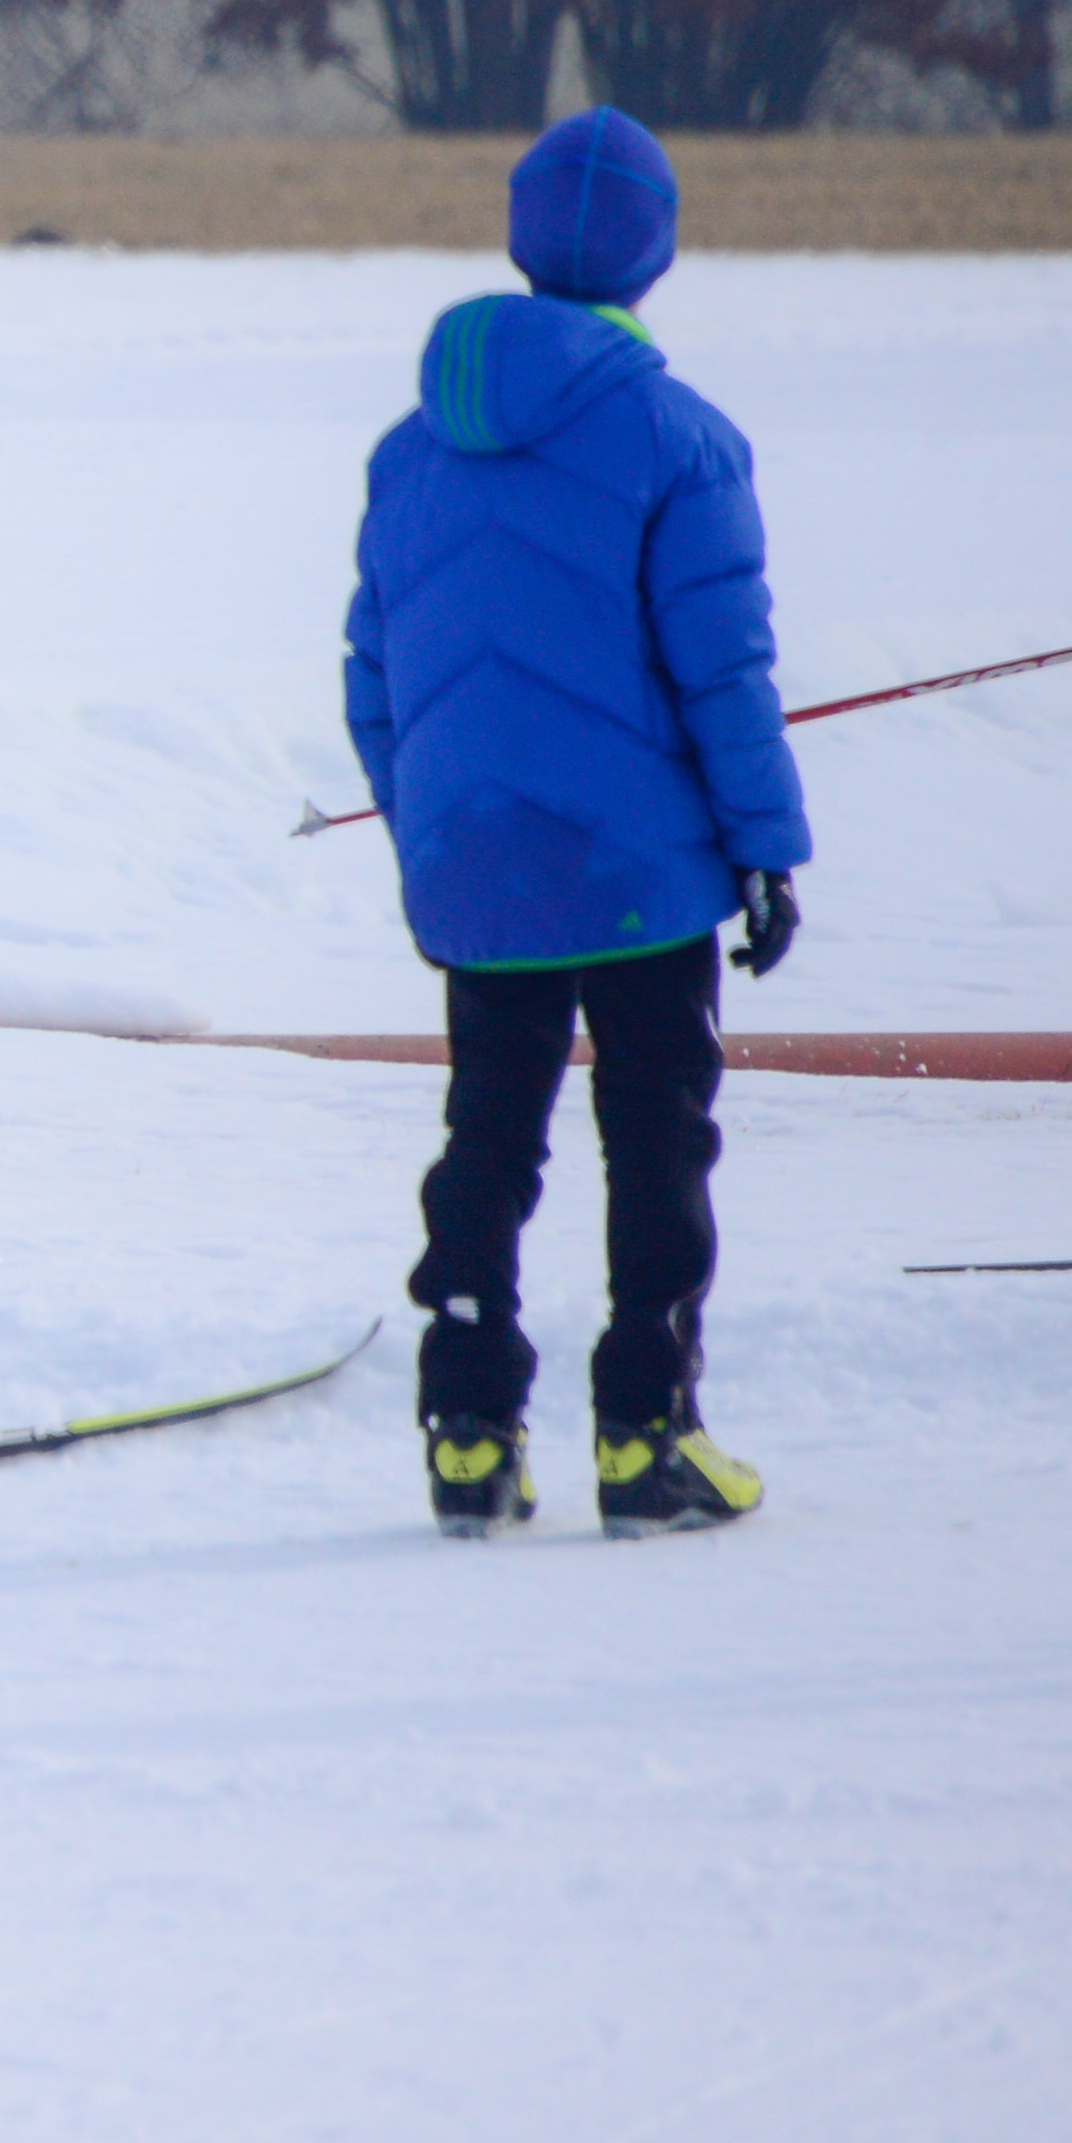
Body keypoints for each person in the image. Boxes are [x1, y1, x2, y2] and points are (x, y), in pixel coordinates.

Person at [346, 108, 808, 1540]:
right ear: (653, 254)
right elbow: (723, 674)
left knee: (488, 1133)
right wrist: (765, 847)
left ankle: (468, 1431)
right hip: (638, 872)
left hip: (476, 857)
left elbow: (375, 675)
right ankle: (645, 1433)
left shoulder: (411, 447)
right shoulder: (681, 440)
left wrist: (428, 827)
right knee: (654, 1139)